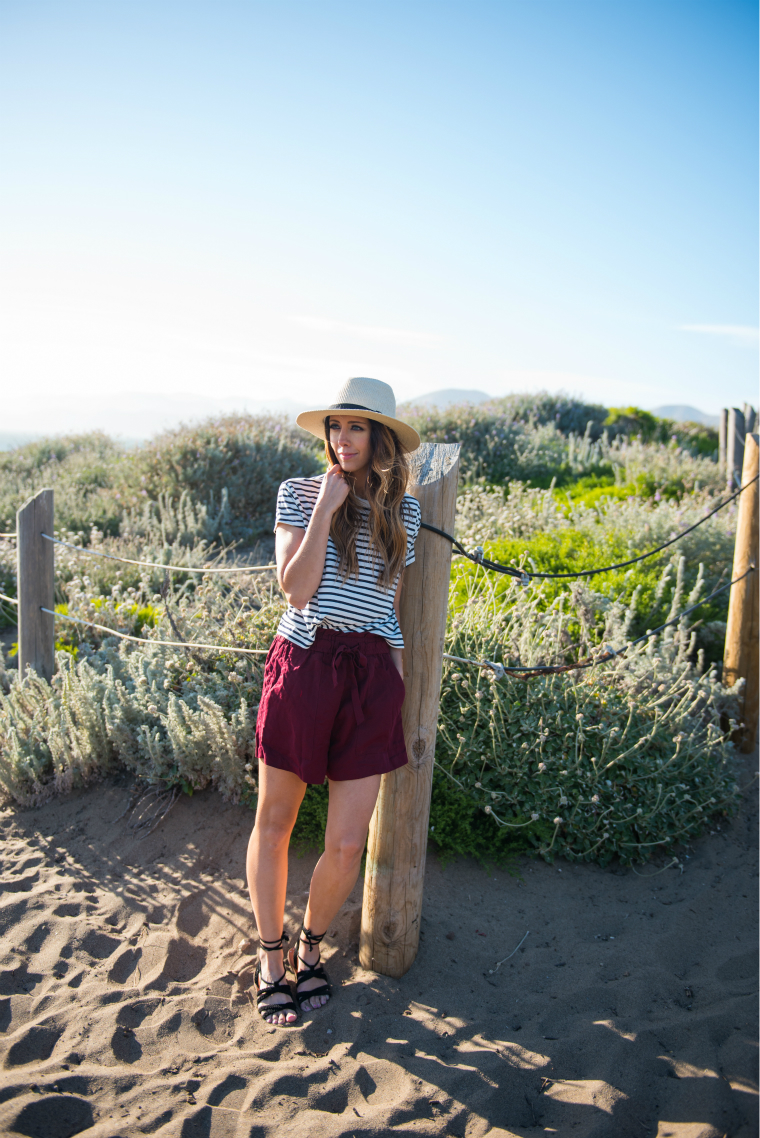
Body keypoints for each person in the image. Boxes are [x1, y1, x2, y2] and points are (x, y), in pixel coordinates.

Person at [245, 377, 422, 1025]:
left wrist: (395, 690)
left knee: (347, 843)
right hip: (307, 662)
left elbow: (390, 607)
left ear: (380, 439)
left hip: (372, 673)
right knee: (276, 824)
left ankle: (310, 949)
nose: (342, 439)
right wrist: (324, 507)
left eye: (356, 428)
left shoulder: (403, 509)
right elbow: (295, 589)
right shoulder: (298, 492)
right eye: (335, 427)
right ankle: (270, 956)